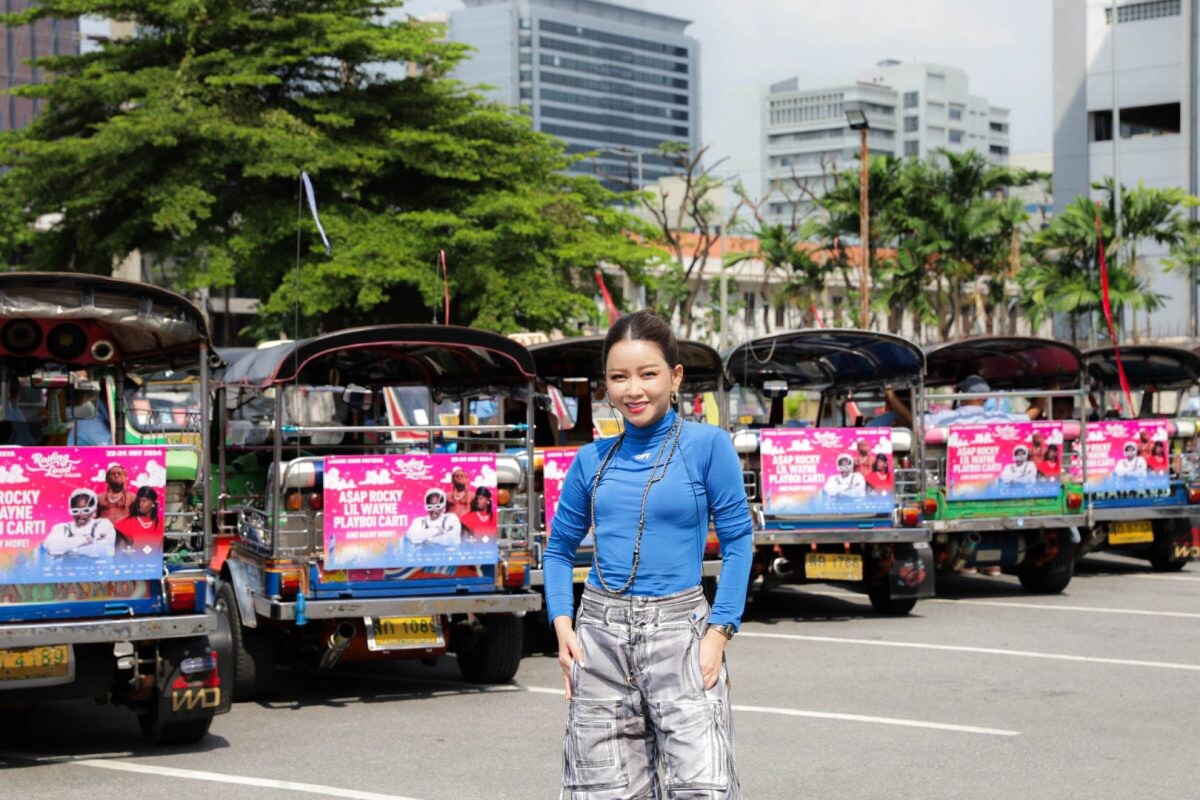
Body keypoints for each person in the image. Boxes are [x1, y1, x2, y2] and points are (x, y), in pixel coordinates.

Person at [543, 309, 752, 799]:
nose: (633, 390)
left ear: (675, 377)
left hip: (681, 635)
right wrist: (563, 628)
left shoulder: (708, 446)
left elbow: (740, 542)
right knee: (604, 791)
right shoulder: (591, 458)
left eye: (647, 374)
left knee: (704, 787)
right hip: (600, 637)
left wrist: (719, 632)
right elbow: (558, 550)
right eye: (619, 377)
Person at [42, 488, 116, 561]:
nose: (80, 515)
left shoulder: (103, 524)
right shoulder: (62, 527)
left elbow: (103, 550)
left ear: (94, 510)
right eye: (76, 511)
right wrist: (84, 540)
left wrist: (66, 549)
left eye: (85, 510)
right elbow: (52, 547)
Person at [114, 486, 161, 556]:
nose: (140, 504)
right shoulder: (124, 525)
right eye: (138, 500)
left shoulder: (161, 524)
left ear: (153, 504)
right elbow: (118, 554)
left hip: (155, 565)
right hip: (132, 565)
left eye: (144, 501)